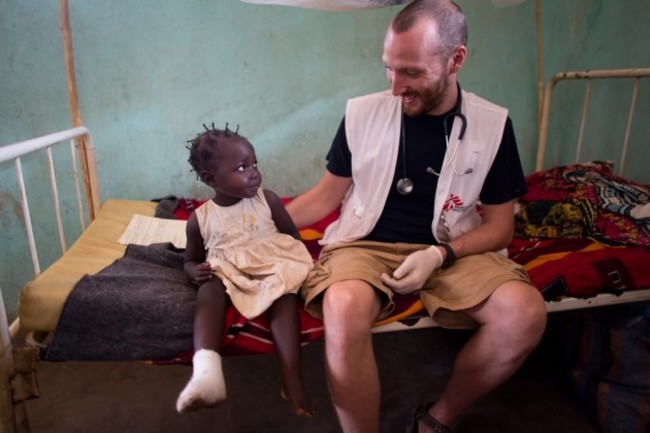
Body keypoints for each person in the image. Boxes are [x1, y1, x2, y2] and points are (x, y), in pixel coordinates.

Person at [286, 1, 547, 432]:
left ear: (456, 59)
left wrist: (441, 254)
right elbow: (321, 198)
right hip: (363, 243)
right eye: (389, 68)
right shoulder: (361, 114)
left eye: (410, 72)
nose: (395, 86)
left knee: (525, 315)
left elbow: (502, 226)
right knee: (344, 304)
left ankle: (435, 420)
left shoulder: (493, 125)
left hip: (451, 248)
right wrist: (257, 223)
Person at [177, 124, 315, 417]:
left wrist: (286, 266)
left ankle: (292, 379)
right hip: (228, 270)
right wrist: (193, 272)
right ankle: (207, 372)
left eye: (254, 163)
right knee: (209, 287)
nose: (253, 172)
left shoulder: (269, 200)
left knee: (284, 289)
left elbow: (293, 239)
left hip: (272, 263)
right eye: (242, 167)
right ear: (210, 179)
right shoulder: (199, 220)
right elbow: (190, 260)